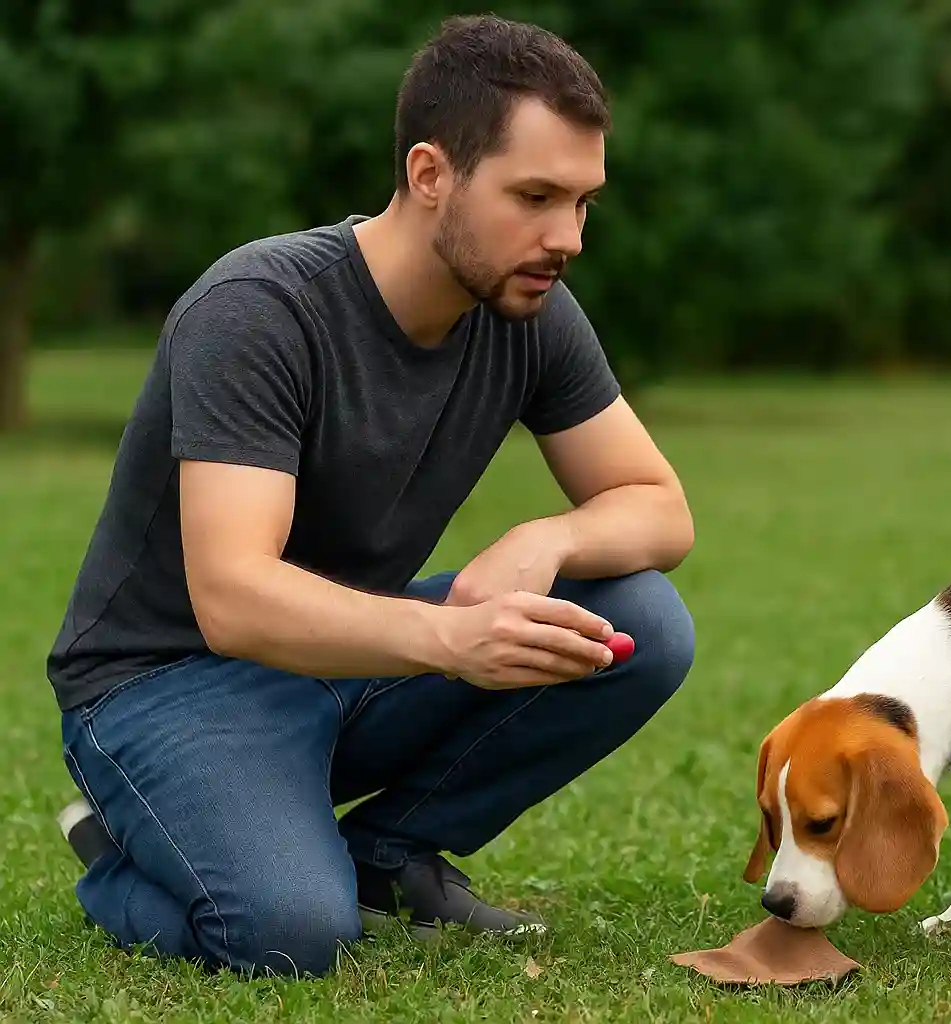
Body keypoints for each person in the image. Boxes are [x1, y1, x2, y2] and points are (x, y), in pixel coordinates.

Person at [44, 14, 696, 979]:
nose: (567, 237)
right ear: (430, 174)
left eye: (581, 202)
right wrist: (450, 639)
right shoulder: (258, 310)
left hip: (349, 661)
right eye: (534, 197)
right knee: (292, 934)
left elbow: (658, 506)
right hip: (165, 685)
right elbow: (233, 597)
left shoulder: (530, 309)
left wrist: (545, 539)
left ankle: (388, 855)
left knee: (639, 620)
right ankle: (118, 849)